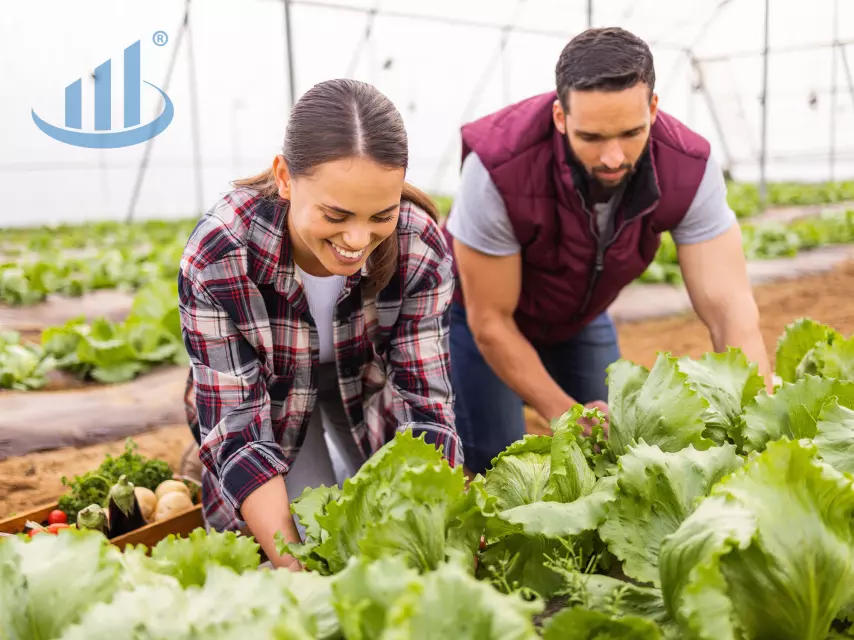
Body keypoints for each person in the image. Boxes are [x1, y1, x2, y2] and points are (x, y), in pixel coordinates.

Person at [442, 27, 773, 475]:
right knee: (497, 460)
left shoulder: (689, 167)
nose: (614, 157)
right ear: (560, 117)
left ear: (653, 109)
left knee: (618, 445)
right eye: (593, 137)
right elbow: (491, 322)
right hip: (480, 317)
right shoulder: (499, 166)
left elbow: (730, 308)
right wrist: (564, 413)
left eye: (631, 133)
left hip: (577, 315)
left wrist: (757, 418)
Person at [178, 78, 461, 570]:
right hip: (272, 399)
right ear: (284, 177)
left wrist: (434, 527)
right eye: (336, 214)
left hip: (367, 387)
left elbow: (425, 401)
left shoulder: (420, 245)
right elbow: (239, 427)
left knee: (384, 531)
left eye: (381, 214)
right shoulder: (221, 251)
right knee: (309, 540)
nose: (357, 238)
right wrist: (297, 567)